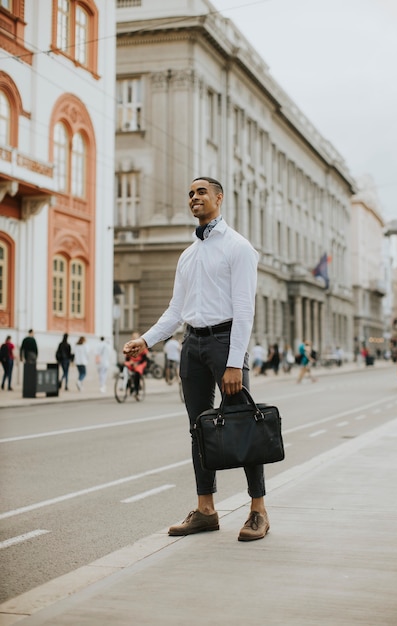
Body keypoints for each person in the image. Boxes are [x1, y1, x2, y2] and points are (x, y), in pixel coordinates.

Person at [123, 176, 269, 542]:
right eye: (189, 193)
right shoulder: (188, 254)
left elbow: (244, 309)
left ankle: (258, 511)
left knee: (242, 424)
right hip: (193, 345)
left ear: (219, 198)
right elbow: (176, 310)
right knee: (199, 429)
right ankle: (206, 510)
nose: (194, 198)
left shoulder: (238, 247)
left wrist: (235, 361)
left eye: (201, 192)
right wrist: (146, 339)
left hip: (225, 342)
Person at [124, 332, 149, 399]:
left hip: (140, 363)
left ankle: (136, 390)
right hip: (131, 362)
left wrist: (137, 363)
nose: (134, 338)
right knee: (125, 368)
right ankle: (128, 384)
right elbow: (127, 357)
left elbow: (144, 358)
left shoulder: (141, 346)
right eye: (133, 337)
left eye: (136, 337)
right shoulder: (130, 345)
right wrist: (128, 362)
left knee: (137, 373)